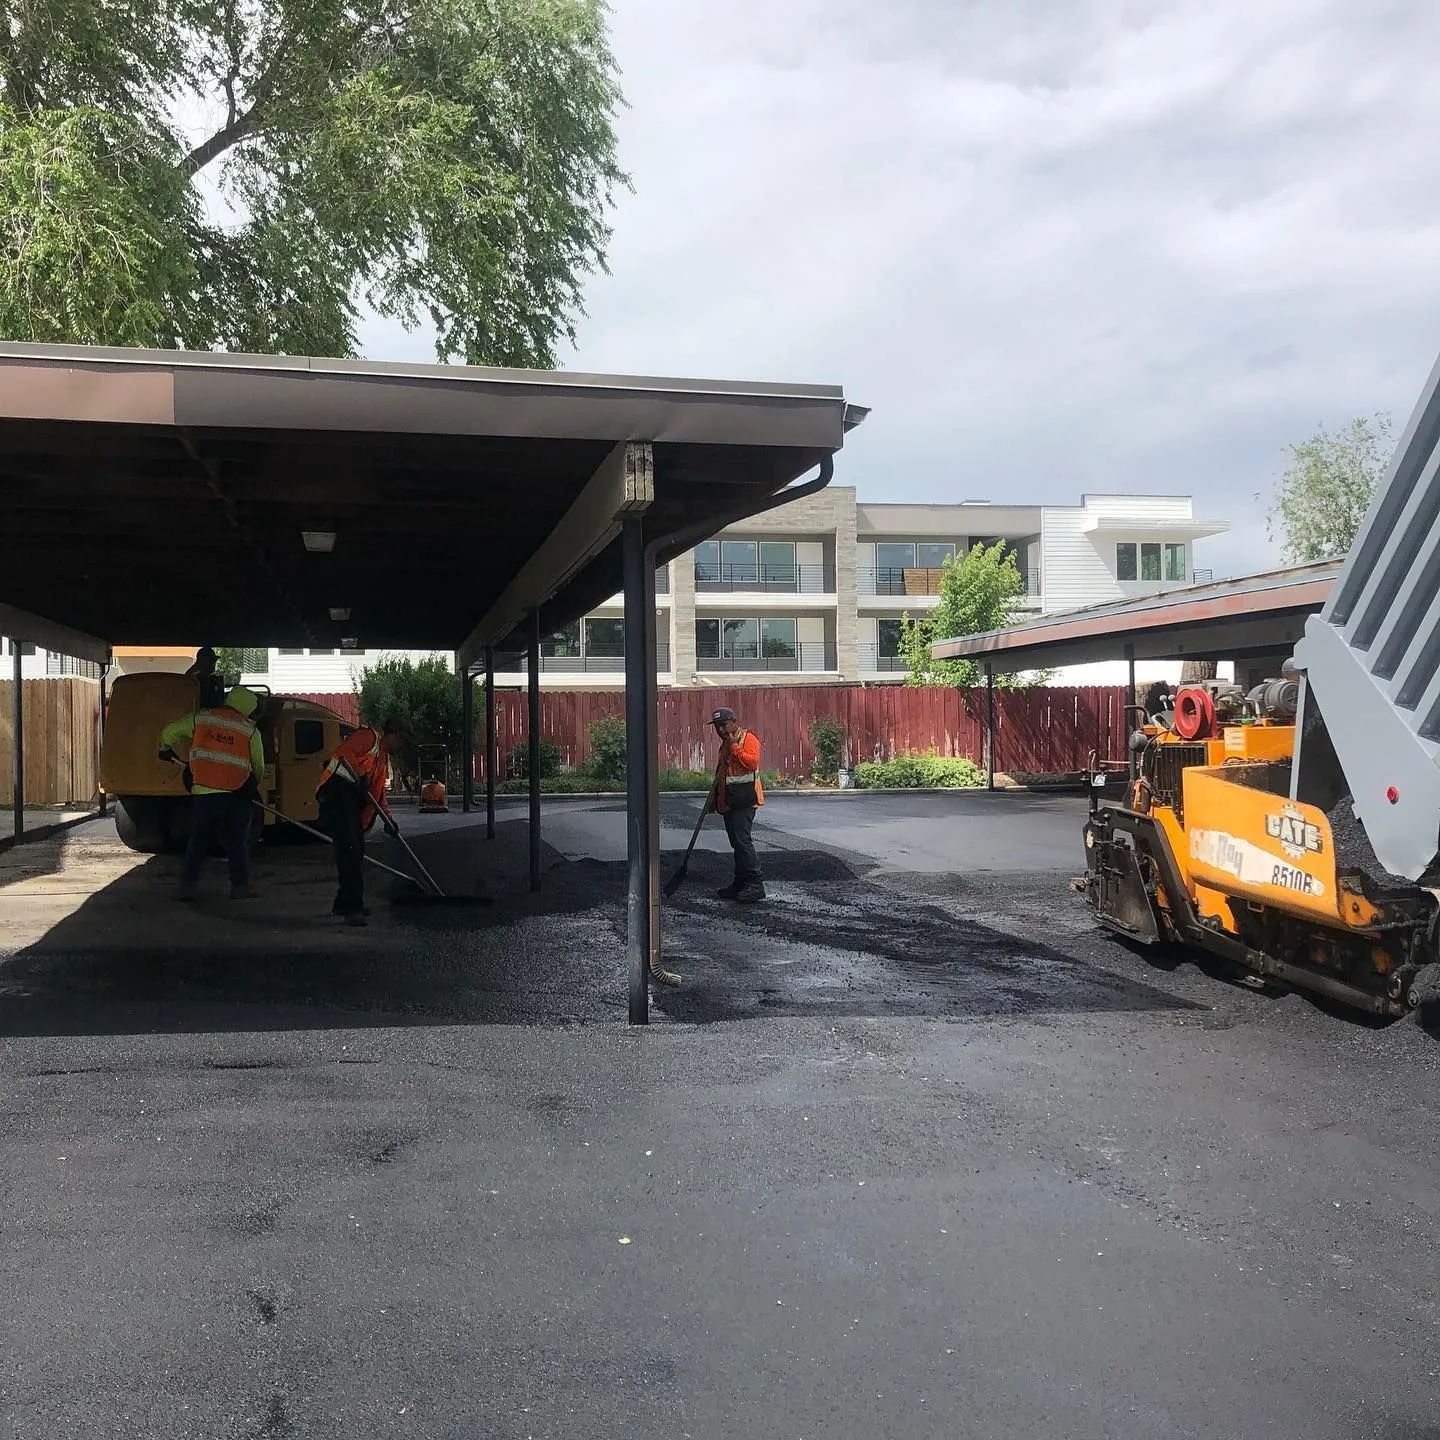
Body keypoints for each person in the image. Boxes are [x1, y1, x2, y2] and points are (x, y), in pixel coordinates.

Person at [158, 685, 265, 901]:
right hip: (236, 793)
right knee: (237, 841)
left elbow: (169, 732)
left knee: (199, 839)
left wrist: (164, 748)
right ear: (248, 708)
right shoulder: (250, 730)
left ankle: (187, 886)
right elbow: (258, 766)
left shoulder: (201, 719)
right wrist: (251, 786)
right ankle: (240, 887)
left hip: (204, 792)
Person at [316, 718, 402, 926]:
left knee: (356, 849)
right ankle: (352, 908)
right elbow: (343, 752)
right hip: (336, 792)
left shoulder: (382, 757)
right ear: (392, 735)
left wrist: (388, 819)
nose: (402, 746)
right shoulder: (368, 736)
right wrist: (361, 775)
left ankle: (344, 902)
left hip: (351, 799)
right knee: (350, 849)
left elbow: (378, 794)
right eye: (401, 740)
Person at [709, 706, 765, 902]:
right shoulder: (725, 744)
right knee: (737, 844)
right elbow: (722, 773)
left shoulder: (748, 739)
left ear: (734, 721)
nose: (721, 730)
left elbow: (752, 763)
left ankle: (755, 884)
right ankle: (740, 884)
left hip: (745, 800)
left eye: (723, 725)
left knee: (742, 842)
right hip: (729, 802)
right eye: (717, 727)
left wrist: (734, 747)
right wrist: (714, 798)